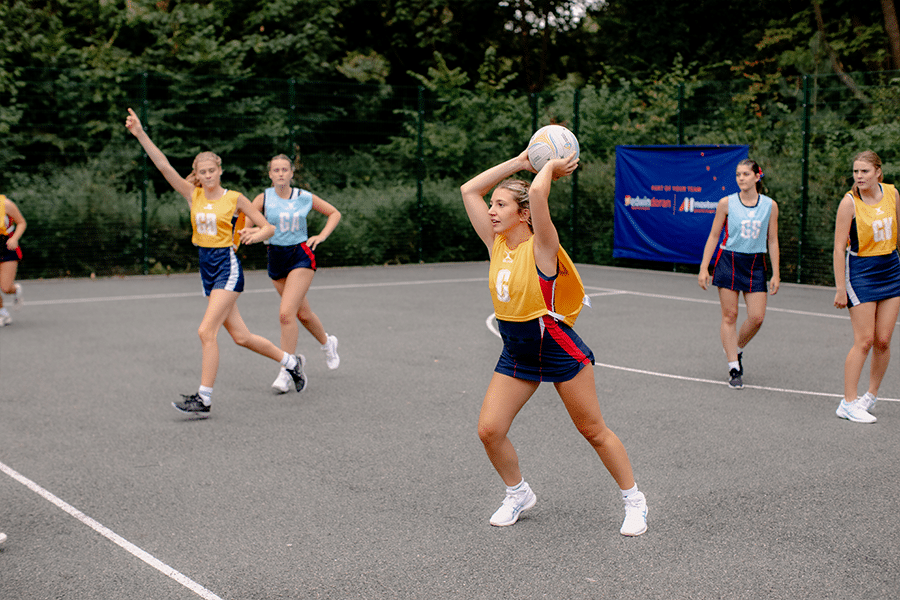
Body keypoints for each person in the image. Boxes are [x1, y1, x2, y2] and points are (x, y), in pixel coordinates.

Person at [459, 149, 648, 536]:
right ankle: (518, 493)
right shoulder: (495, 243)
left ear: (523, 214)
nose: (491, 210)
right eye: (491, 205)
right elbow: (467, 190)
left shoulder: (542, 247)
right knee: (489, 430)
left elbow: (540, 195)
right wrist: (522, 160)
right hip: (517, 350)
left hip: (557, 347)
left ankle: (634, 501)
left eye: (500, 205)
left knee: (593, 430)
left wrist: (548, 167)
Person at [124, 108, 307, 416]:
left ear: (220, 171)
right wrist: (140, 133)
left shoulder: (234, 199)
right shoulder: (192, 194)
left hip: (226, 266)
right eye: (203, 171)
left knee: (206, 331)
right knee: (241, 337)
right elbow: (162, 164)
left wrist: (254, 234)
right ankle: (292, 362)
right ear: (198, 174)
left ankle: (204, 398)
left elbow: (268, 227)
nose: (208, 175)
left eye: (212, 170)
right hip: (205, 267)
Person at [244, 155, 341, 393]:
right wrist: (255, 234)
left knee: (286, 314)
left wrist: (322, 236)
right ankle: (328, 343)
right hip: (276, 258)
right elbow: (246, 227)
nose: (280, 174)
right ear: (270, 174)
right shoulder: (263, 198)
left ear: (291, 173)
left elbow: (334, 213)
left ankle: (287, 370)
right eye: (275, 170)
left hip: (300, 256)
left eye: (284, 170)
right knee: (304, 314)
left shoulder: (303, 197)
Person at [698, 158, 780, 389]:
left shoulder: (769, 206)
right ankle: (734, 366)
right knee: (730, 315)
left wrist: (776, 273)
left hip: (755, 263)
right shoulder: (726, 203)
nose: (741, 178)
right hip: (729, 261)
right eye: (738, 174)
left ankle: (737, 347)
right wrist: (705, 267)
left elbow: (772, 240)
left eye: (745, 174)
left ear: (757, 176)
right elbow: (714, 235)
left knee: (757, 317)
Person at [832, 150, 900, 424]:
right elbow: (838, 248)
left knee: (883, 340)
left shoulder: (893, 194)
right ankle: (848, 402)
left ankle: (869, 396)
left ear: (878, 172)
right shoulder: (849, 203)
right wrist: (840, 288)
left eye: (865, 171)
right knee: (865, 340)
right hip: (861, 272)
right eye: (856, 171)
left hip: (891, 269)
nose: (859, 176)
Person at [0, 193, 26, 326]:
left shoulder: (6, 205)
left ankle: (15, 290)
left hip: (6, 247)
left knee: (5, 287)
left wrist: (14, 238)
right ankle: (2, 313)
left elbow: (21, 222)